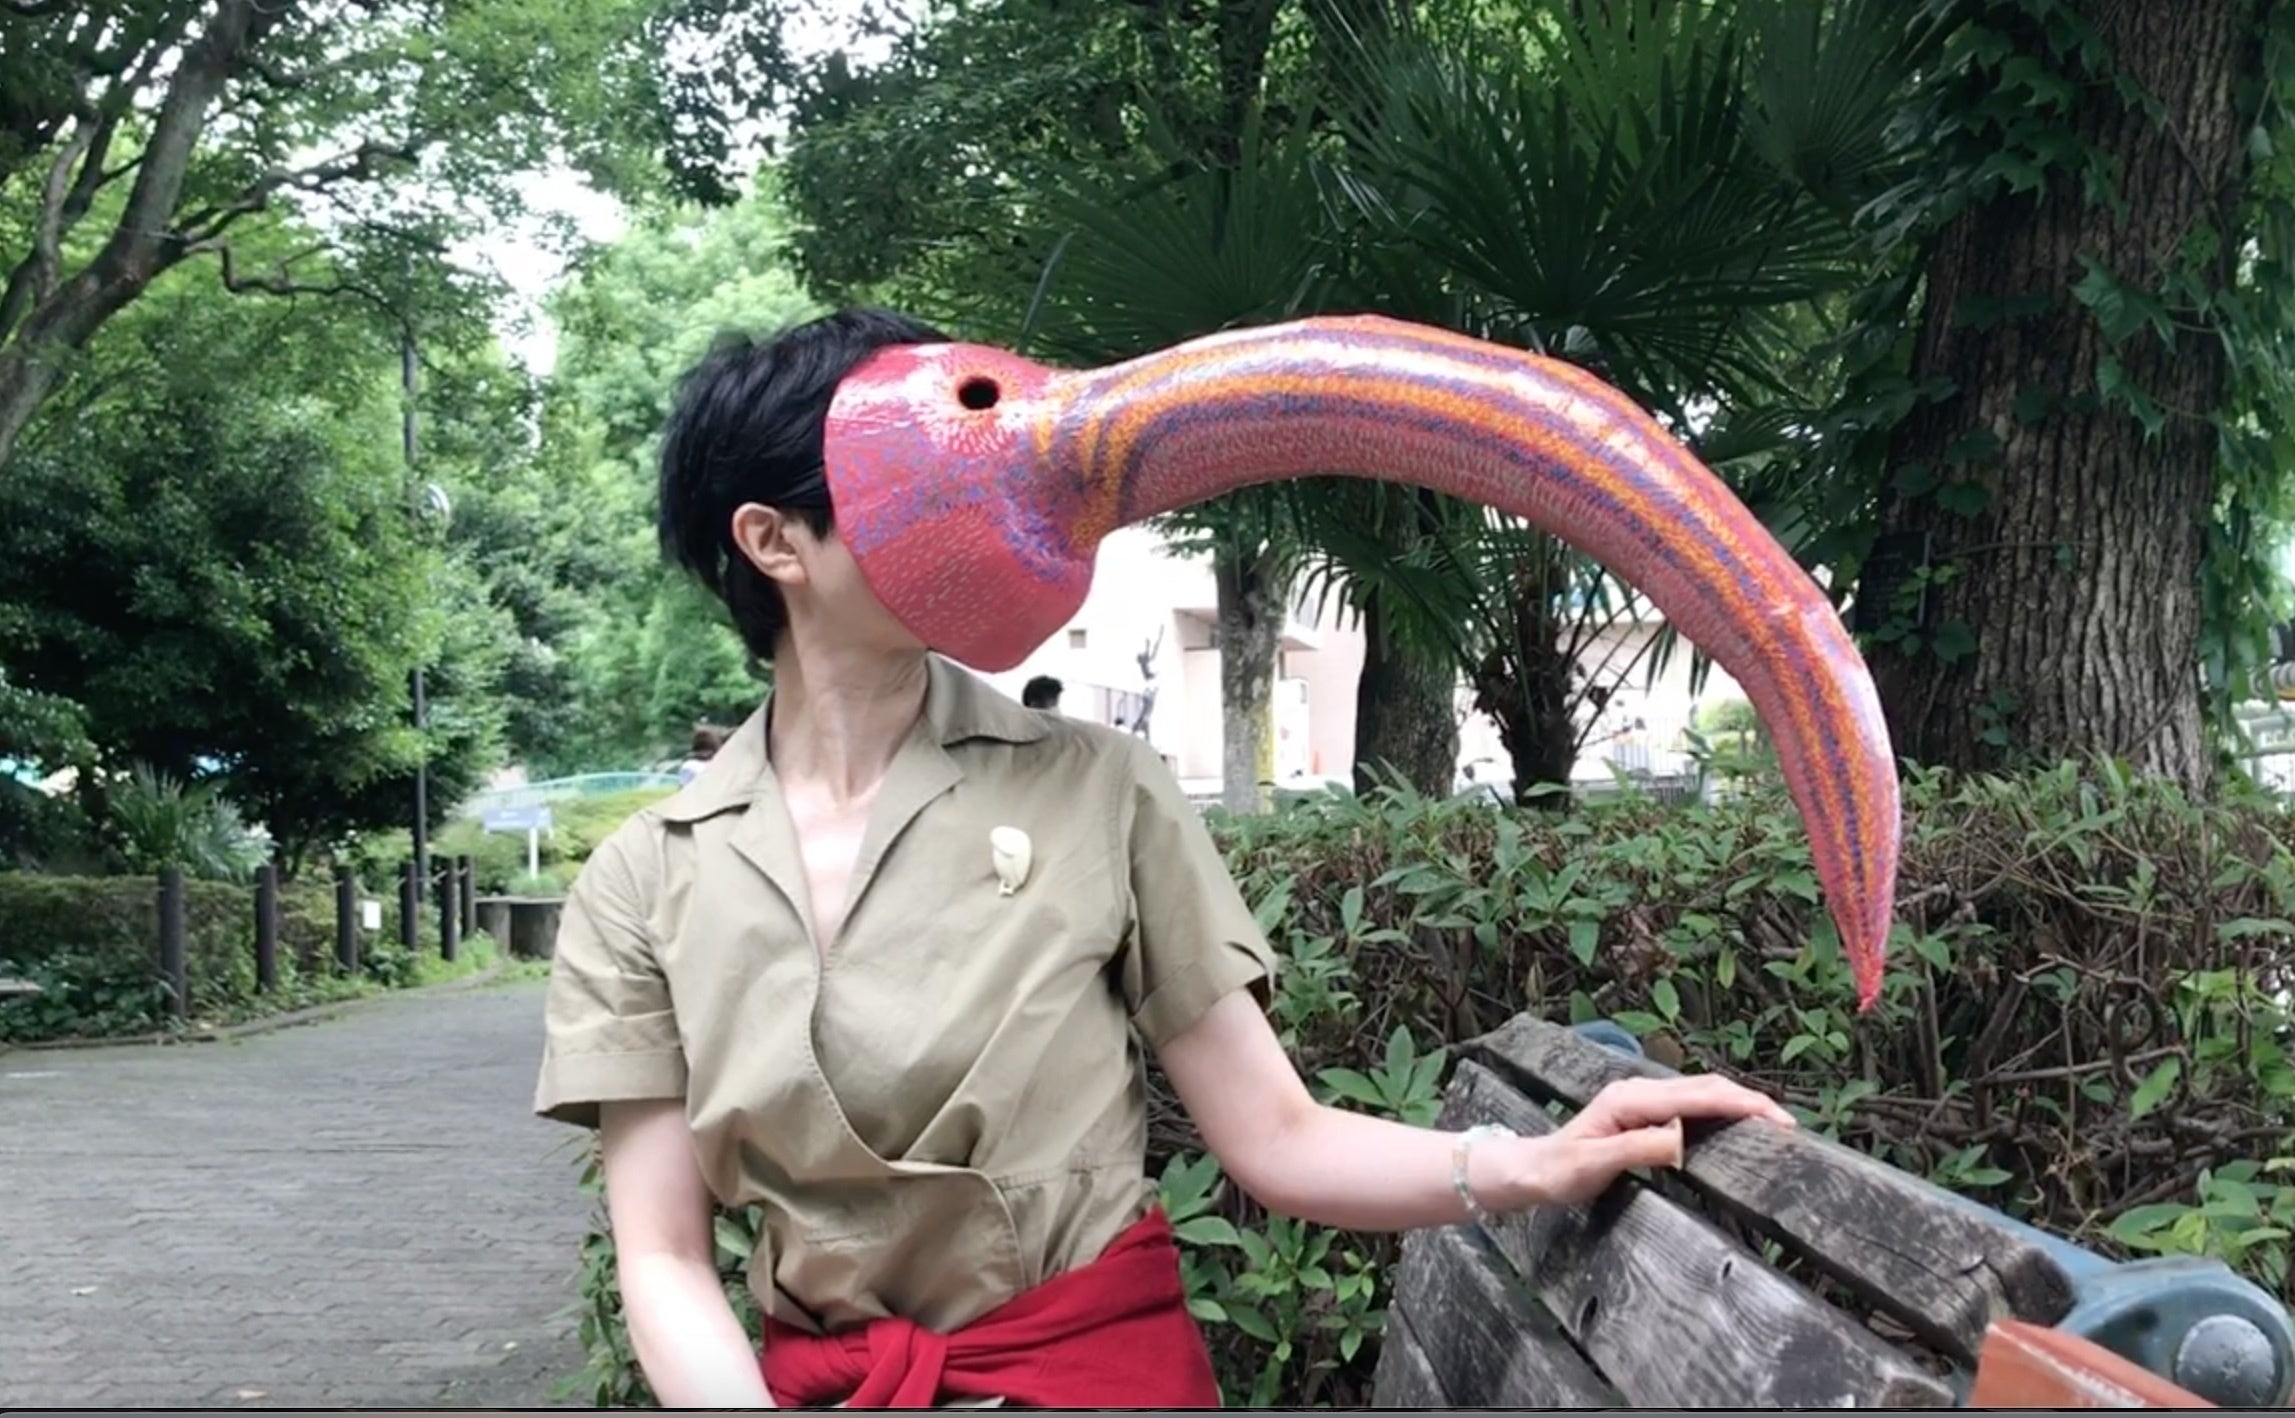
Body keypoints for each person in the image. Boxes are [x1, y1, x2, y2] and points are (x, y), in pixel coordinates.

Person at [533, 309, 1795, 1410]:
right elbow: (665, 1254)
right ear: (776, 542)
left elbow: (1278, 1135)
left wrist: (1538, 1160)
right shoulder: (646, 880)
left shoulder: (1099, 786)